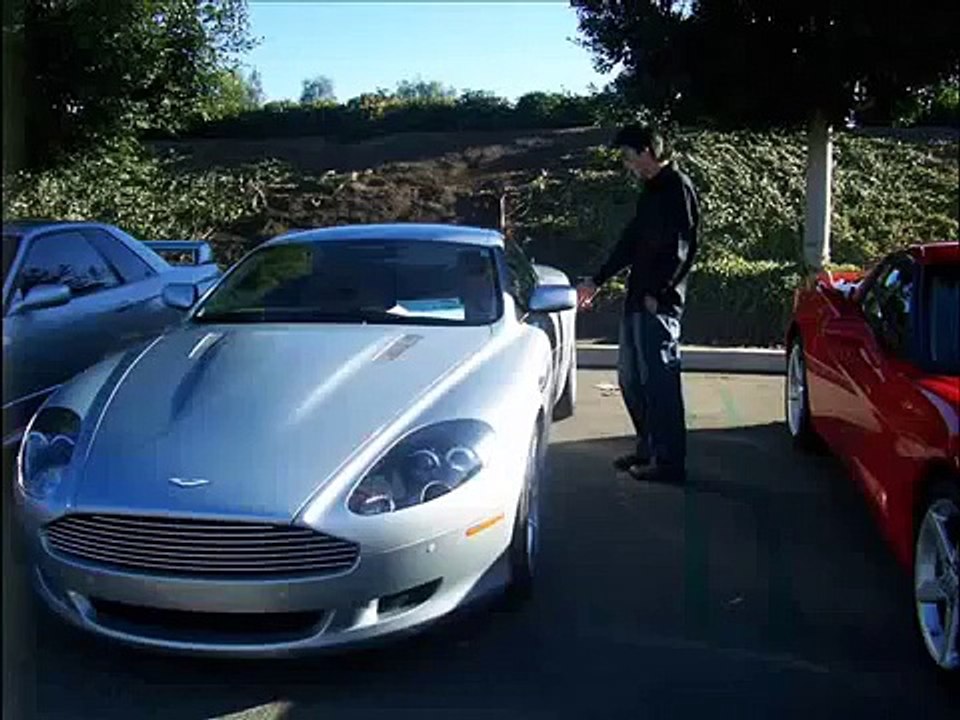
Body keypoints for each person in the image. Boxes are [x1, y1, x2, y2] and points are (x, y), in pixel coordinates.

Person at [577, 125, 700, 483]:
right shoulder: (650, 192)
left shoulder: (678, 188)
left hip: (657, 304)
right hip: (637, 299)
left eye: (629, 156)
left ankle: (668, 462)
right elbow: (630, 242)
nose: (627, 164)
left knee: (659, 382)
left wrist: (659, 293)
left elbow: (684, 249)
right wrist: (598, 279)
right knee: (631, 379)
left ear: (647, 151)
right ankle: (648, 448)